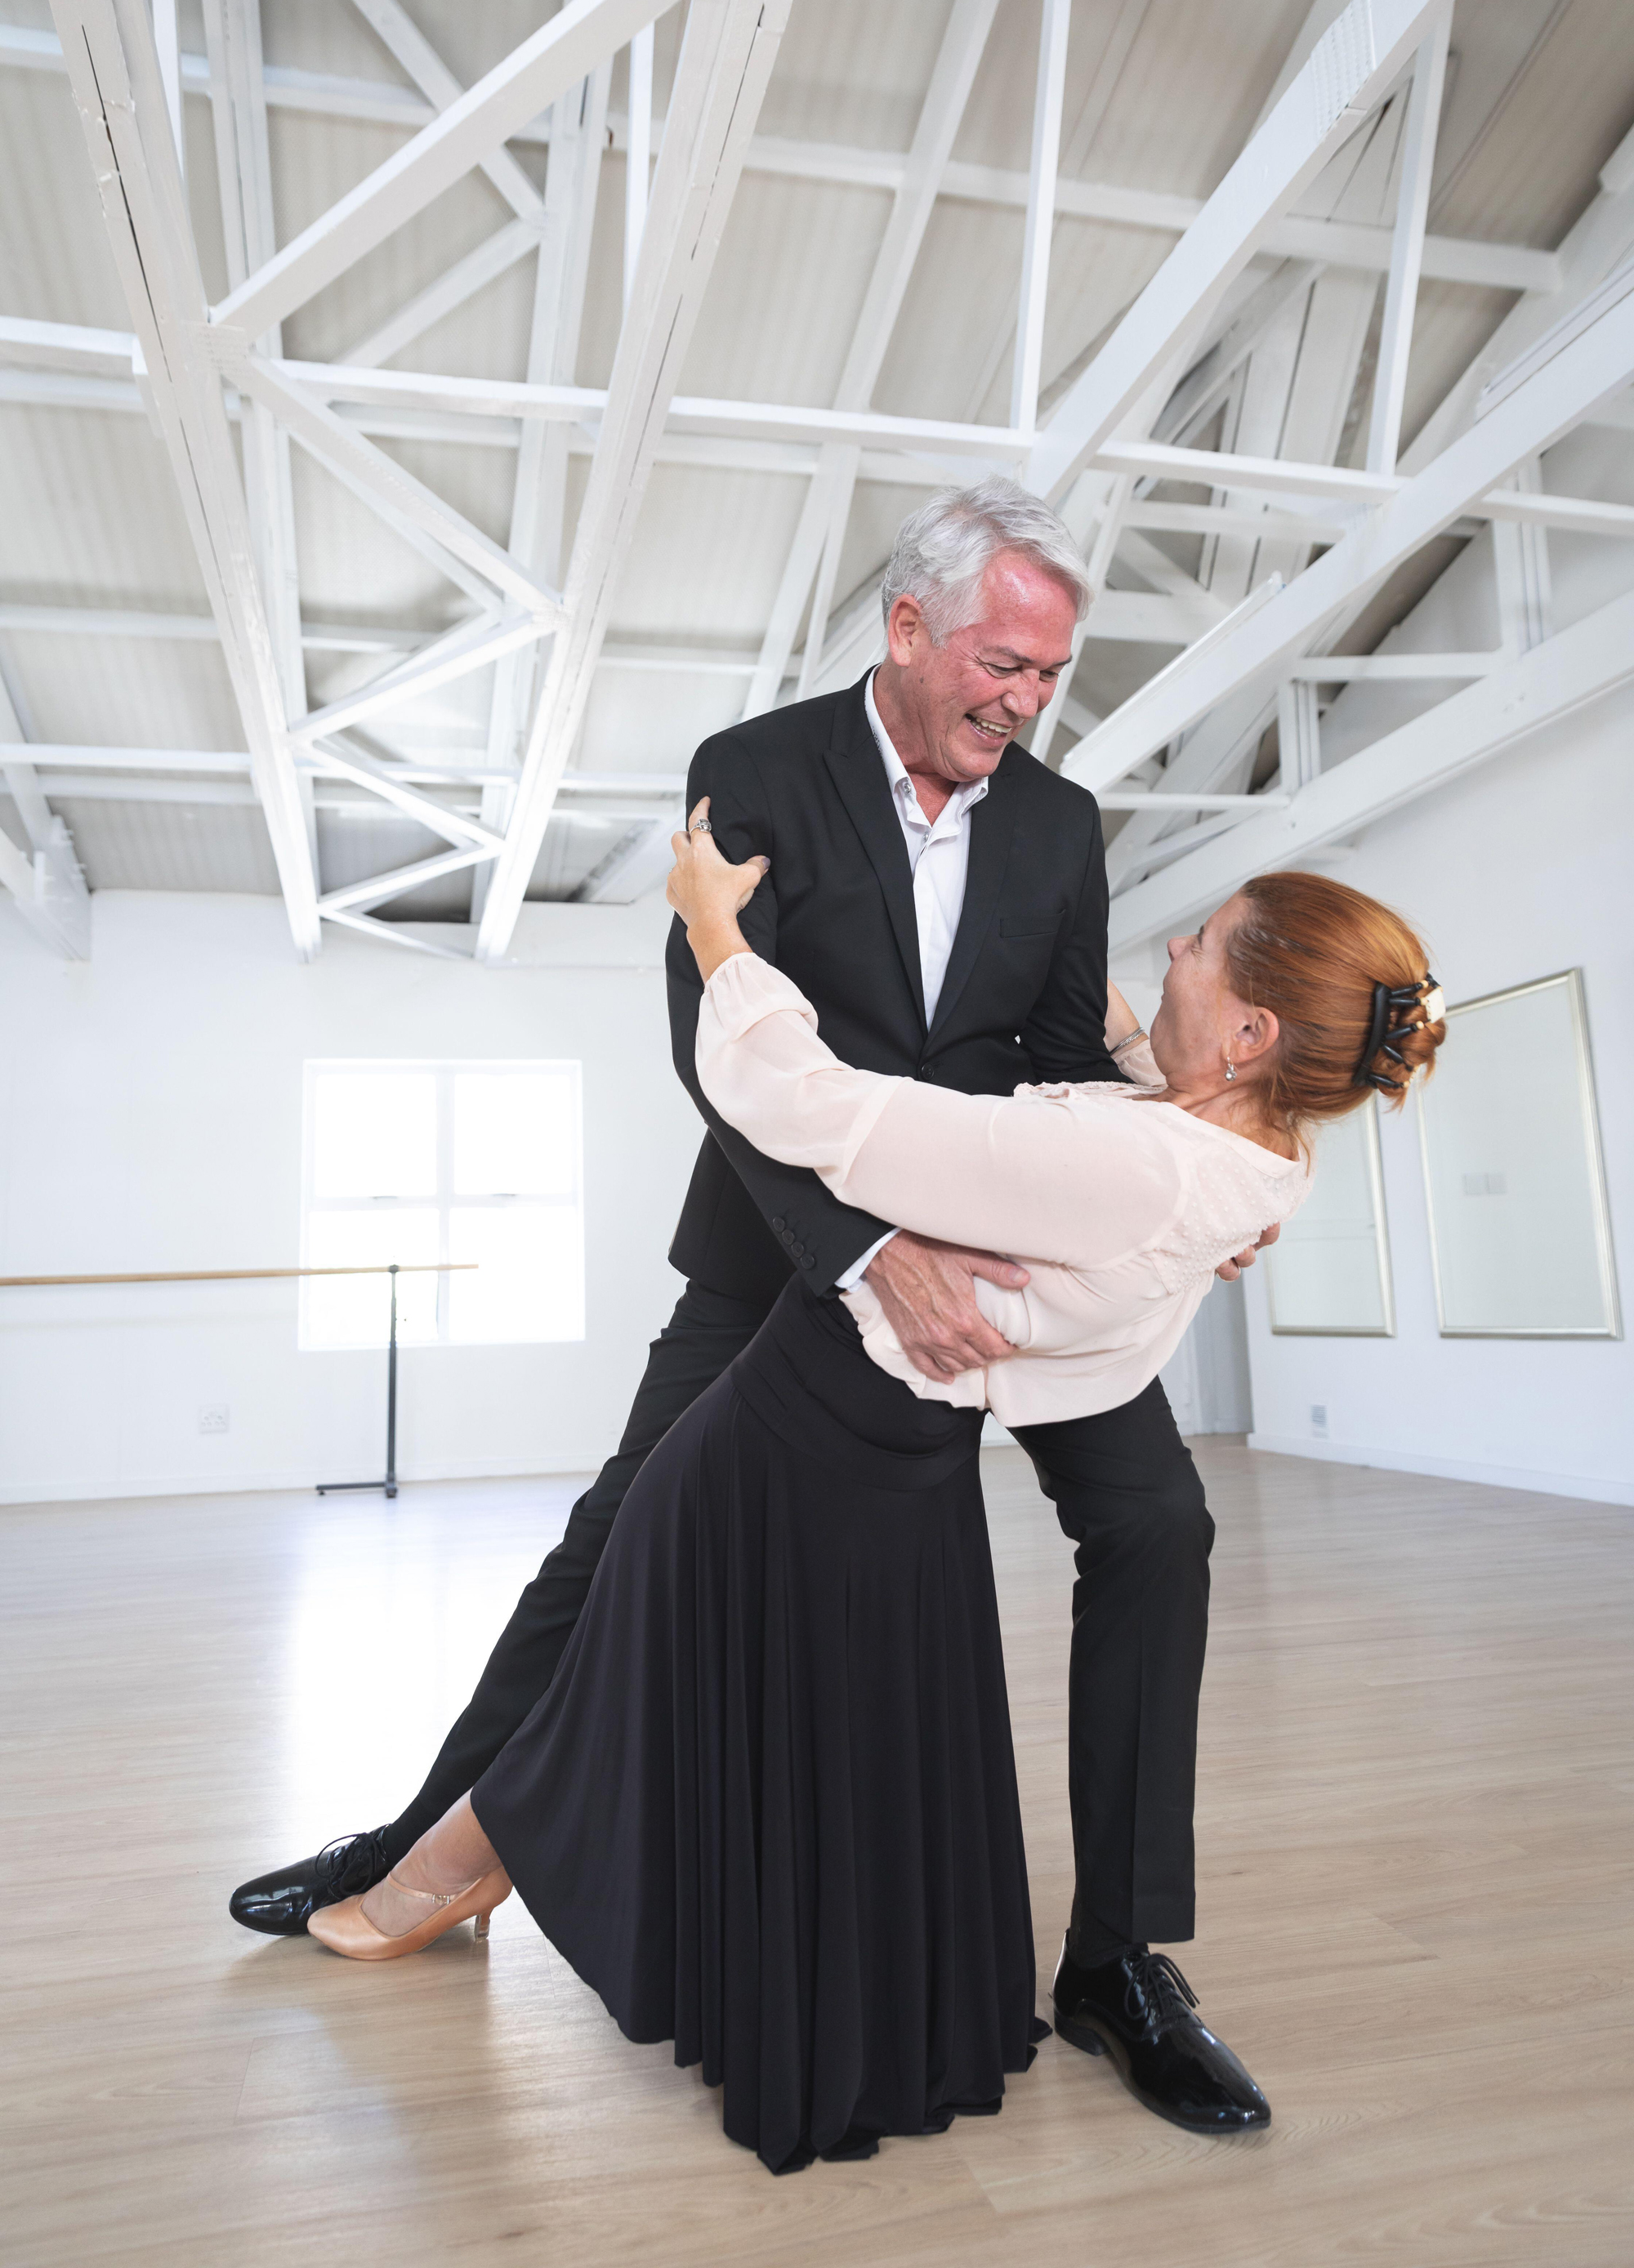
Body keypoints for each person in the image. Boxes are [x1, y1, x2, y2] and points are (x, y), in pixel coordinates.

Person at [232, 478, 1282, 2134]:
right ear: (909, 626)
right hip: (786, 1255)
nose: (1021, 703)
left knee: (1158, 1531)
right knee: (618, 1542)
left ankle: (1117, 1964)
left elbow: (1063, 1065)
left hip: (1008, 1267)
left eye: (1048, 679)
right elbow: (718, 1043)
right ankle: (425, 1851)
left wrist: (1186, 1191)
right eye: (997, 664)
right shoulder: (759, 770)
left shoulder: (1061, 825)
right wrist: (864, 1254)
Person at [304, 833, 1443, 2185]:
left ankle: (450, 1862)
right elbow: (1150, 1092)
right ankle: (457, 1860)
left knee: (640, 1660)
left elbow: (814, 1108)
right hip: (893, 1426)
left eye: (1202, 941)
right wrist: (1146, 1060)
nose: (1169, 952)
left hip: (804, 1417)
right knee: (724, 1674)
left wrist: (713, 933)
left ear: (1254, 1029)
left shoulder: (1133, 1160)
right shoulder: (1261, 1159)